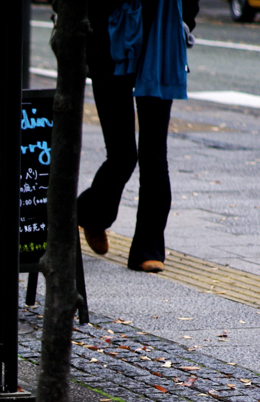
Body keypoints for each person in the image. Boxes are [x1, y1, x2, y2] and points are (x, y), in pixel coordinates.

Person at [78, 0, 199, 273]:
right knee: (122, 155)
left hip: (162, 40)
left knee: (155, 155)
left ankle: (149, 249)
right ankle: (89, 215)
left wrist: (184, 23)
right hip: (109, 42)